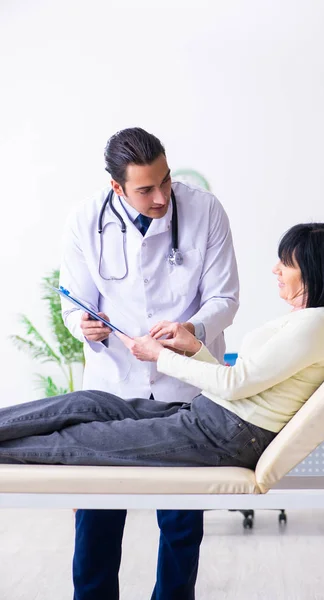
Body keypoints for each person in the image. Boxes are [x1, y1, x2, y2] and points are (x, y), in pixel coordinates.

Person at [0, 223, 324, 595]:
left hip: (224, 433)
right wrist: (192, 347)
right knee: (88, 402)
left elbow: (235, 384)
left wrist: (160, 357)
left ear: (316, 270)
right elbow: (238, 379)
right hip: (214, 418)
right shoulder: (312, 323)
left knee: (81, 441)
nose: (275, 270)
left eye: (286, 263)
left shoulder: (317, 326)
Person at [58, 127, 240, 600]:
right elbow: (74, 301)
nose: (161, 197)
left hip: (185, 386)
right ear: (116, 187)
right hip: (114, 384)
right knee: (97, 517)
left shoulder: (205, 212)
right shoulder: (85, 220)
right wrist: (85, 324)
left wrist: (193, 331)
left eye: (165, 181)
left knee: (181, 522)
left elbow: (225, 298)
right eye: (145, 189)